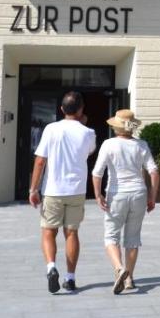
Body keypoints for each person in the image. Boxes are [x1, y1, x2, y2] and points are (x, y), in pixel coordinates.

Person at [29, 90, 97, 294]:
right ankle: (70, 277)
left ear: (61, 109)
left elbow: (40, 161)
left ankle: (51, 267)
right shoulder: (88, 133)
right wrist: (83, 124)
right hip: (76, 189)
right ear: (81, 109)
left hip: (53, 189)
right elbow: (89, 151)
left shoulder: (51, 129)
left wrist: (33, 189)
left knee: (49, 231)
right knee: (72, 233)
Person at [91, 109, 159, 294]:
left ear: (116, 127)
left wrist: (97, 195)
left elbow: (97, 173)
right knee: (133, 238)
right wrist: (153, 196)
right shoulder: (142, 145)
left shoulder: (109, 144)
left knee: (111, 236)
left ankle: (119, 268)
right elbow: (154, 172)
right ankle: (129, 279)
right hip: (139, 193)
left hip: (116, 194)